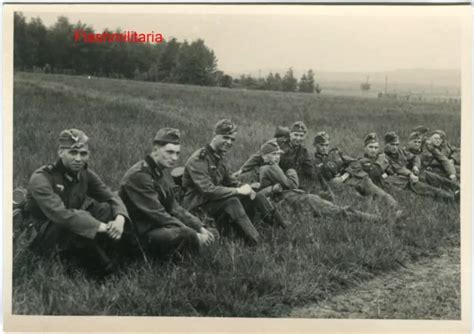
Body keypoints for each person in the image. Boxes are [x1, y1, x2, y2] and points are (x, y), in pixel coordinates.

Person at [22, 129, 130, 277]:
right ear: (61, 152)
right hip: (44, 233)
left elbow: (111, 196)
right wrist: (102, 227)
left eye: (83, 153)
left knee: (107, 209)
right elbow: (61, 215)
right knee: (80, 217)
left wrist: (119, 220)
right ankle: (106, 271)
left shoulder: (85, 174)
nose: (78, 159)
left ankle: (120, 252)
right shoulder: (42, 177)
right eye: (73, 153)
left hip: (71, 227)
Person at [182, 119, 285, 245]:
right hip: (198, 205)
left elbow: (231, 181)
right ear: (215, 135)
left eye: (232, 139)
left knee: (257, 196)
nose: (229, 142)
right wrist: (238, 191)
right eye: (225, 137)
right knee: (232, 201)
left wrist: (245, 188)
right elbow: (208, 190)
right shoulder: (199, 159)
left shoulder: (220, 157)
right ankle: (256, 242)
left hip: (215, 201)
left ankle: (282, 228)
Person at [119, 128, 215, 259]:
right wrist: (194, 235)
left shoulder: (157, 172)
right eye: (169, 152)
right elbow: (158, 214)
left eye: (177, 153)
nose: (174, 158)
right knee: (184, 234)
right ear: (155, 149)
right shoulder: (140, 175)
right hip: (136, 236)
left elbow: (174, 207)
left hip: (151, 227)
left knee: (208, 232)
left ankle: (181, 258)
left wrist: (199, 227)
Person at [239, 139, 382, 223]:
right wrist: (291, 171)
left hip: (293, 201)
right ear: (264, 157)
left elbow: (265, 189)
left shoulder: (264, 168)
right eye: (273, 154)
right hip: (298, 199)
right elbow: (291, 184)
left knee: (331, 213)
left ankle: (372, 218)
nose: (276, 157)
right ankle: (375, 219)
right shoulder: (270, 167)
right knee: (340, 212)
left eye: (278, 154)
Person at [312, 131, 398, 209]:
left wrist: (343, 176)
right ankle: (378, 213)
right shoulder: (313, 161)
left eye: (326, 145)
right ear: (315, 145)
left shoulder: (335, 153)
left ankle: (395, 208)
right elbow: (318, 180)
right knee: (360, 200)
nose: (324, 148)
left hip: (358, 179)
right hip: (343, 186)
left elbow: (356, 163)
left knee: (381, 194)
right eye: (321, 145)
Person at [363, 131, 456, 201]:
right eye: (392, 144)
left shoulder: (401, 152)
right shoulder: (383, 157)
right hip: (401, 181)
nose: (395, 147)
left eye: (396, 144)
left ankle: (457, 188)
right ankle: (452, 197)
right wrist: (409, 174)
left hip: (412, 175)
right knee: (429, 189)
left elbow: (415, 158)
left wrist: (416, 167)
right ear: (385, 144)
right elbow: (396, 168)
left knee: (436, 178)